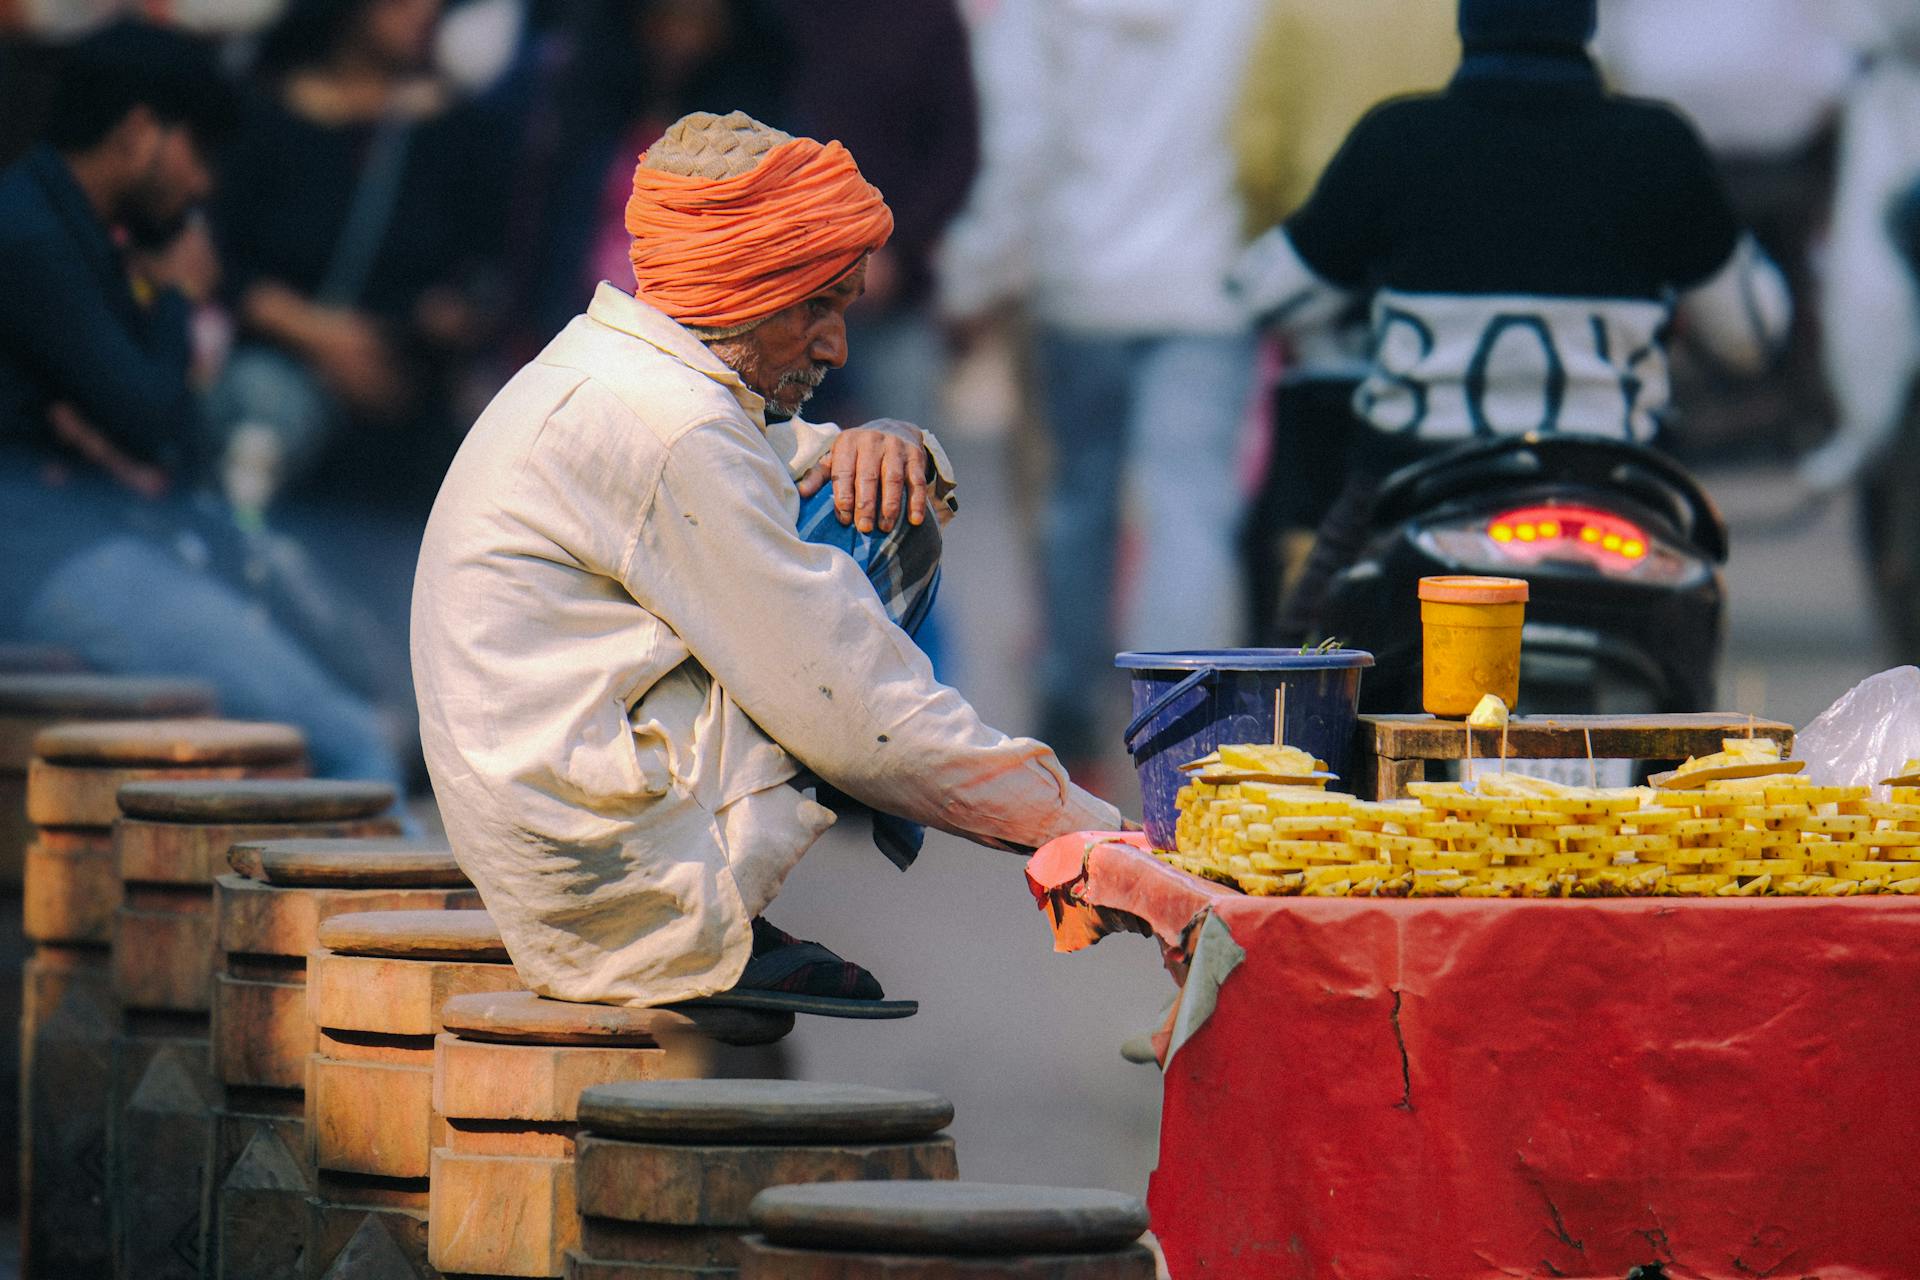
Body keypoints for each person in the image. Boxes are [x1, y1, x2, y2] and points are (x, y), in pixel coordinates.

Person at [412, 111, 1120, 1012]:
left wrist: (898, 439)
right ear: (738, 286)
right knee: (855, 593)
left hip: (564, 833)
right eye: (816, 308)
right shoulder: (672, 430)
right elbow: (856, 711)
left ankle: (706, 906)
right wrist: (1093, 836)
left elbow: (787, 462)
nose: (836, 348)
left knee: (880, 494)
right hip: (608, 885)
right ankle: (692, 925)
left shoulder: (621, 369)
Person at [1232, 0, 1792, 641]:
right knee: (1693, 643)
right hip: (1617, 498)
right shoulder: (1659, 145)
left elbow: (1264, 296)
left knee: (1311, 652)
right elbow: (1753, 334)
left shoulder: (1397, 139)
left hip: (1419, 489)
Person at [0, 20, 407, 794]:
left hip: (88, 537)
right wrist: (178, 300)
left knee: (355, 690)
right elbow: (157, 424)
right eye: (199, 150)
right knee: (350, 744)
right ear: (141, 131)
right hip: (45, 555)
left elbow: (163, 440)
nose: (204, 184)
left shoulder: (74, 229)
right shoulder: (29, 235)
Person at [937, 0, 1266, 777]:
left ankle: (1070, 709)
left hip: (1077, 280)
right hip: (1207, 279)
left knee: (1076, 504)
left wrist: (972, 275)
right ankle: (1189, 736)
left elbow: (1017, 142)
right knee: (1190, 508)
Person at [208, 0, 510, 518]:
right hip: (278, 376)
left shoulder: (456, 130)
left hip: (401, 393)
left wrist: (450, 317)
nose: (425, 12)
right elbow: (218, 258)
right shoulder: (272, 110)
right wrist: (320, 335)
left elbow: (484, 270)